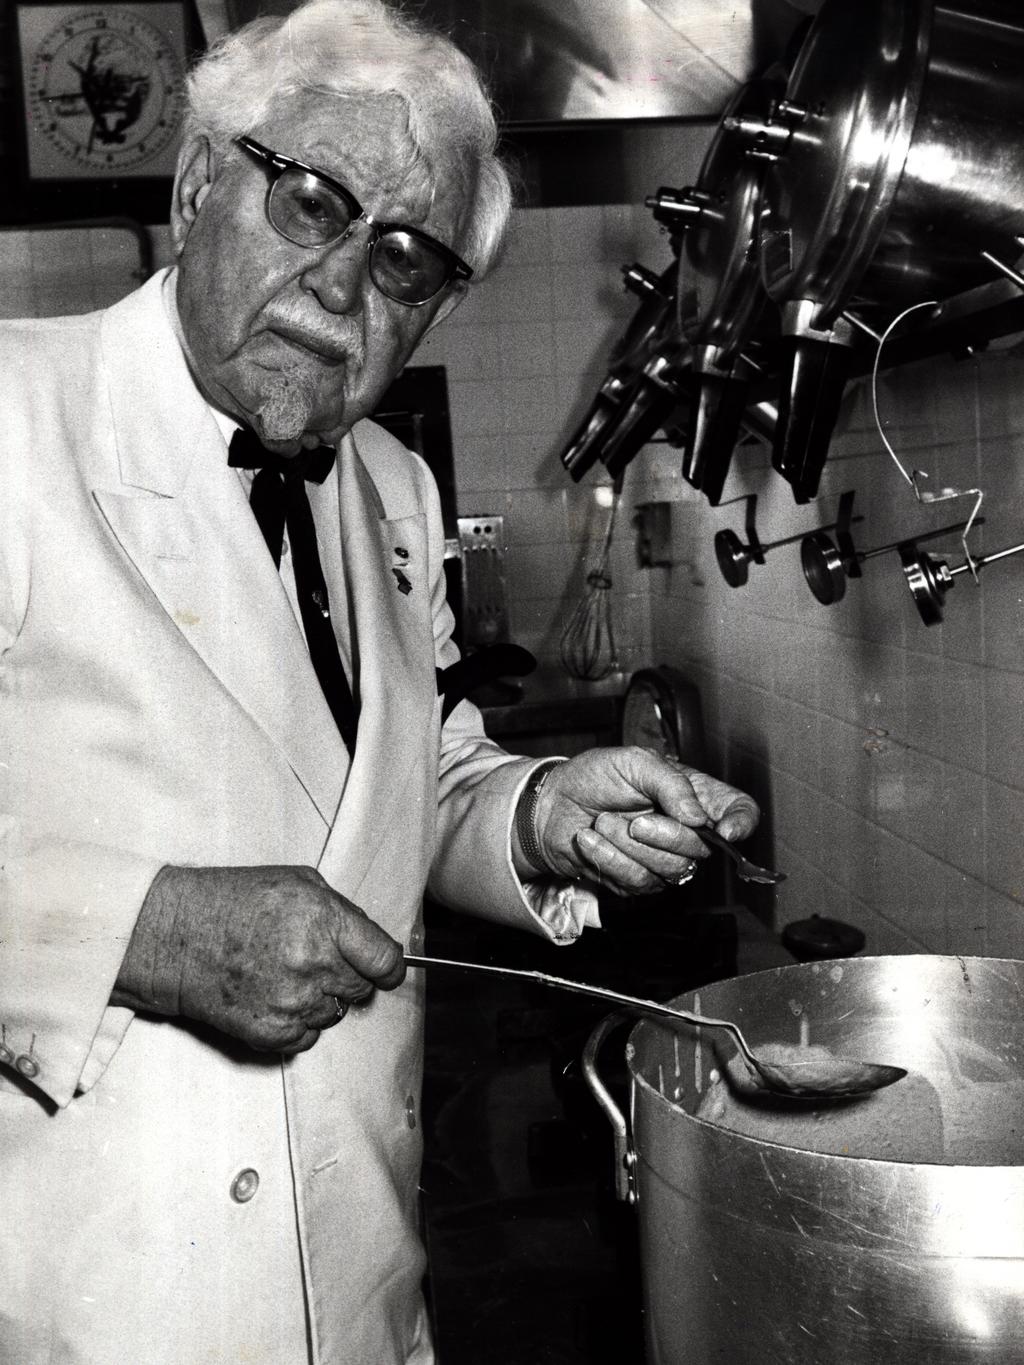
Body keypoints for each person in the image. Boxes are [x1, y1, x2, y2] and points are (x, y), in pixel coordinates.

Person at [0, 1, 759, 1360]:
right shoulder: (11, 425)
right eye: (311, 204)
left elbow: (402, 782)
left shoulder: (392, 489)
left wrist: (534, 812)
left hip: (359, 1286)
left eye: (407, 260)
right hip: (75, 1298)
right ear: (195, 182)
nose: (346, 289)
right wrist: (143, 931)